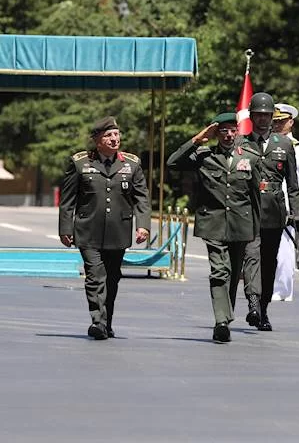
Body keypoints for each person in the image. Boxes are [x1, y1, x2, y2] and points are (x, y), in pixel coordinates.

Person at [167, 112, 261, 343]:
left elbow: (255, 196)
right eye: (223, 131)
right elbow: (173, 162)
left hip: (241, 224)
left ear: (238, 132)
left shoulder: (250, 156)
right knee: (220, 271)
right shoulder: (204, 155)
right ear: (216, 133)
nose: (228, 135)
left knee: (232, 273)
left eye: (232, 130)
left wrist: (255, 231)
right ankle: (221, 320)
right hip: (213, 223)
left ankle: (225, 317)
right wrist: (198, 139)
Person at [58, 116, 150, 340]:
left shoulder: (132, 164)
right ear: (97, 140)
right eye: (108, 135)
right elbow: (68, 199)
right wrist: (65, 228)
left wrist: (143, 226)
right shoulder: (80, 163)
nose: (114, 139)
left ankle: (106, 321)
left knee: (112, 278)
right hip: (87, 230)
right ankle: (97, 321)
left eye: (116, 134)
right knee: (95, 275)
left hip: (118, 231)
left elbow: (142, 198)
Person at [241, 92, 299, 331]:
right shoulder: (241, 143)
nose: (263, 119)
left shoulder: (284, 145)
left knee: (269, 263)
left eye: (267, 115)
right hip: (249, 210)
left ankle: (263, 308)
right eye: (259, 115)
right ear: (252, 116)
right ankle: (253, 303)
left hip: (274, 213)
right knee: (252, 258)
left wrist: (296, 214)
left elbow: (293, 184)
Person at [271, 103, 299, 302]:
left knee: (284, 247)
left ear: (291, 123)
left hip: (284, 202)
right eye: (275, 122)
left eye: (281, 122)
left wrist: (287, 206)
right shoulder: (267, 143)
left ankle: (283, 290)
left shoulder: (296, 149)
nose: (277, 125)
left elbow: (295, 181)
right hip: (267, 201)